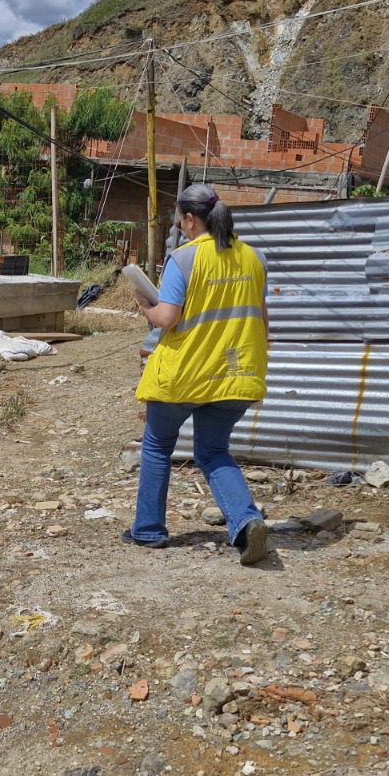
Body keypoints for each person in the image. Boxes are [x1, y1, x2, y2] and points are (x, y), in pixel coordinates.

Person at [124, 183, 271, 565]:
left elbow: (168, 317)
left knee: (157, 446)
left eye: (181, 222)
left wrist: (145, 304)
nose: (181, 228)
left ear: (190, 219)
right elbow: (262, 320)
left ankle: (149, 530)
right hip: (236, 375)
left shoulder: (185, 259)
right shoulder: (254, 258)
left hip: (185, 375)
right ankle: (246, 521)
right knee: (212, 450)